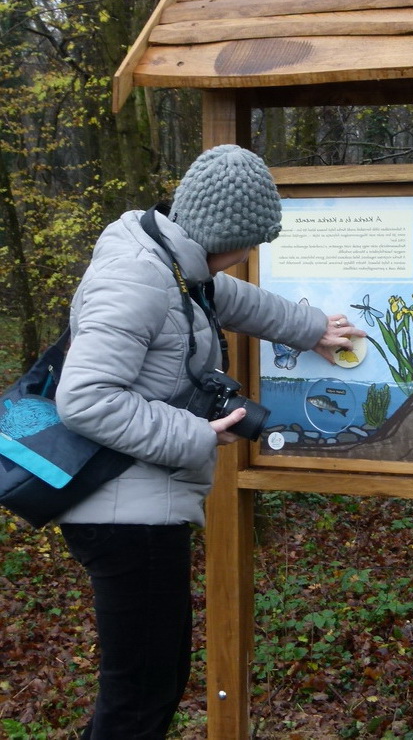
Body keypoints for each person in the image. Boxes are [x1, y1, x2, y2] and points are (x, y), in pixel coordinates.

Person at [55, 144, 365, 739]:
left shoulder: (171, 264)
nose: (250, 257)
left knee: (156, 683)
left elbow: (228, 299)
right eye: (251, 243)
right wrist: (196, 433)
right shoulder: (140, 279)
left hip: (137, 506)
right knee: (138, 698)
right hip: (122, 515)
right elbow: (86, 398)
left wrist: (311, 328)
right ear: (229, 236)